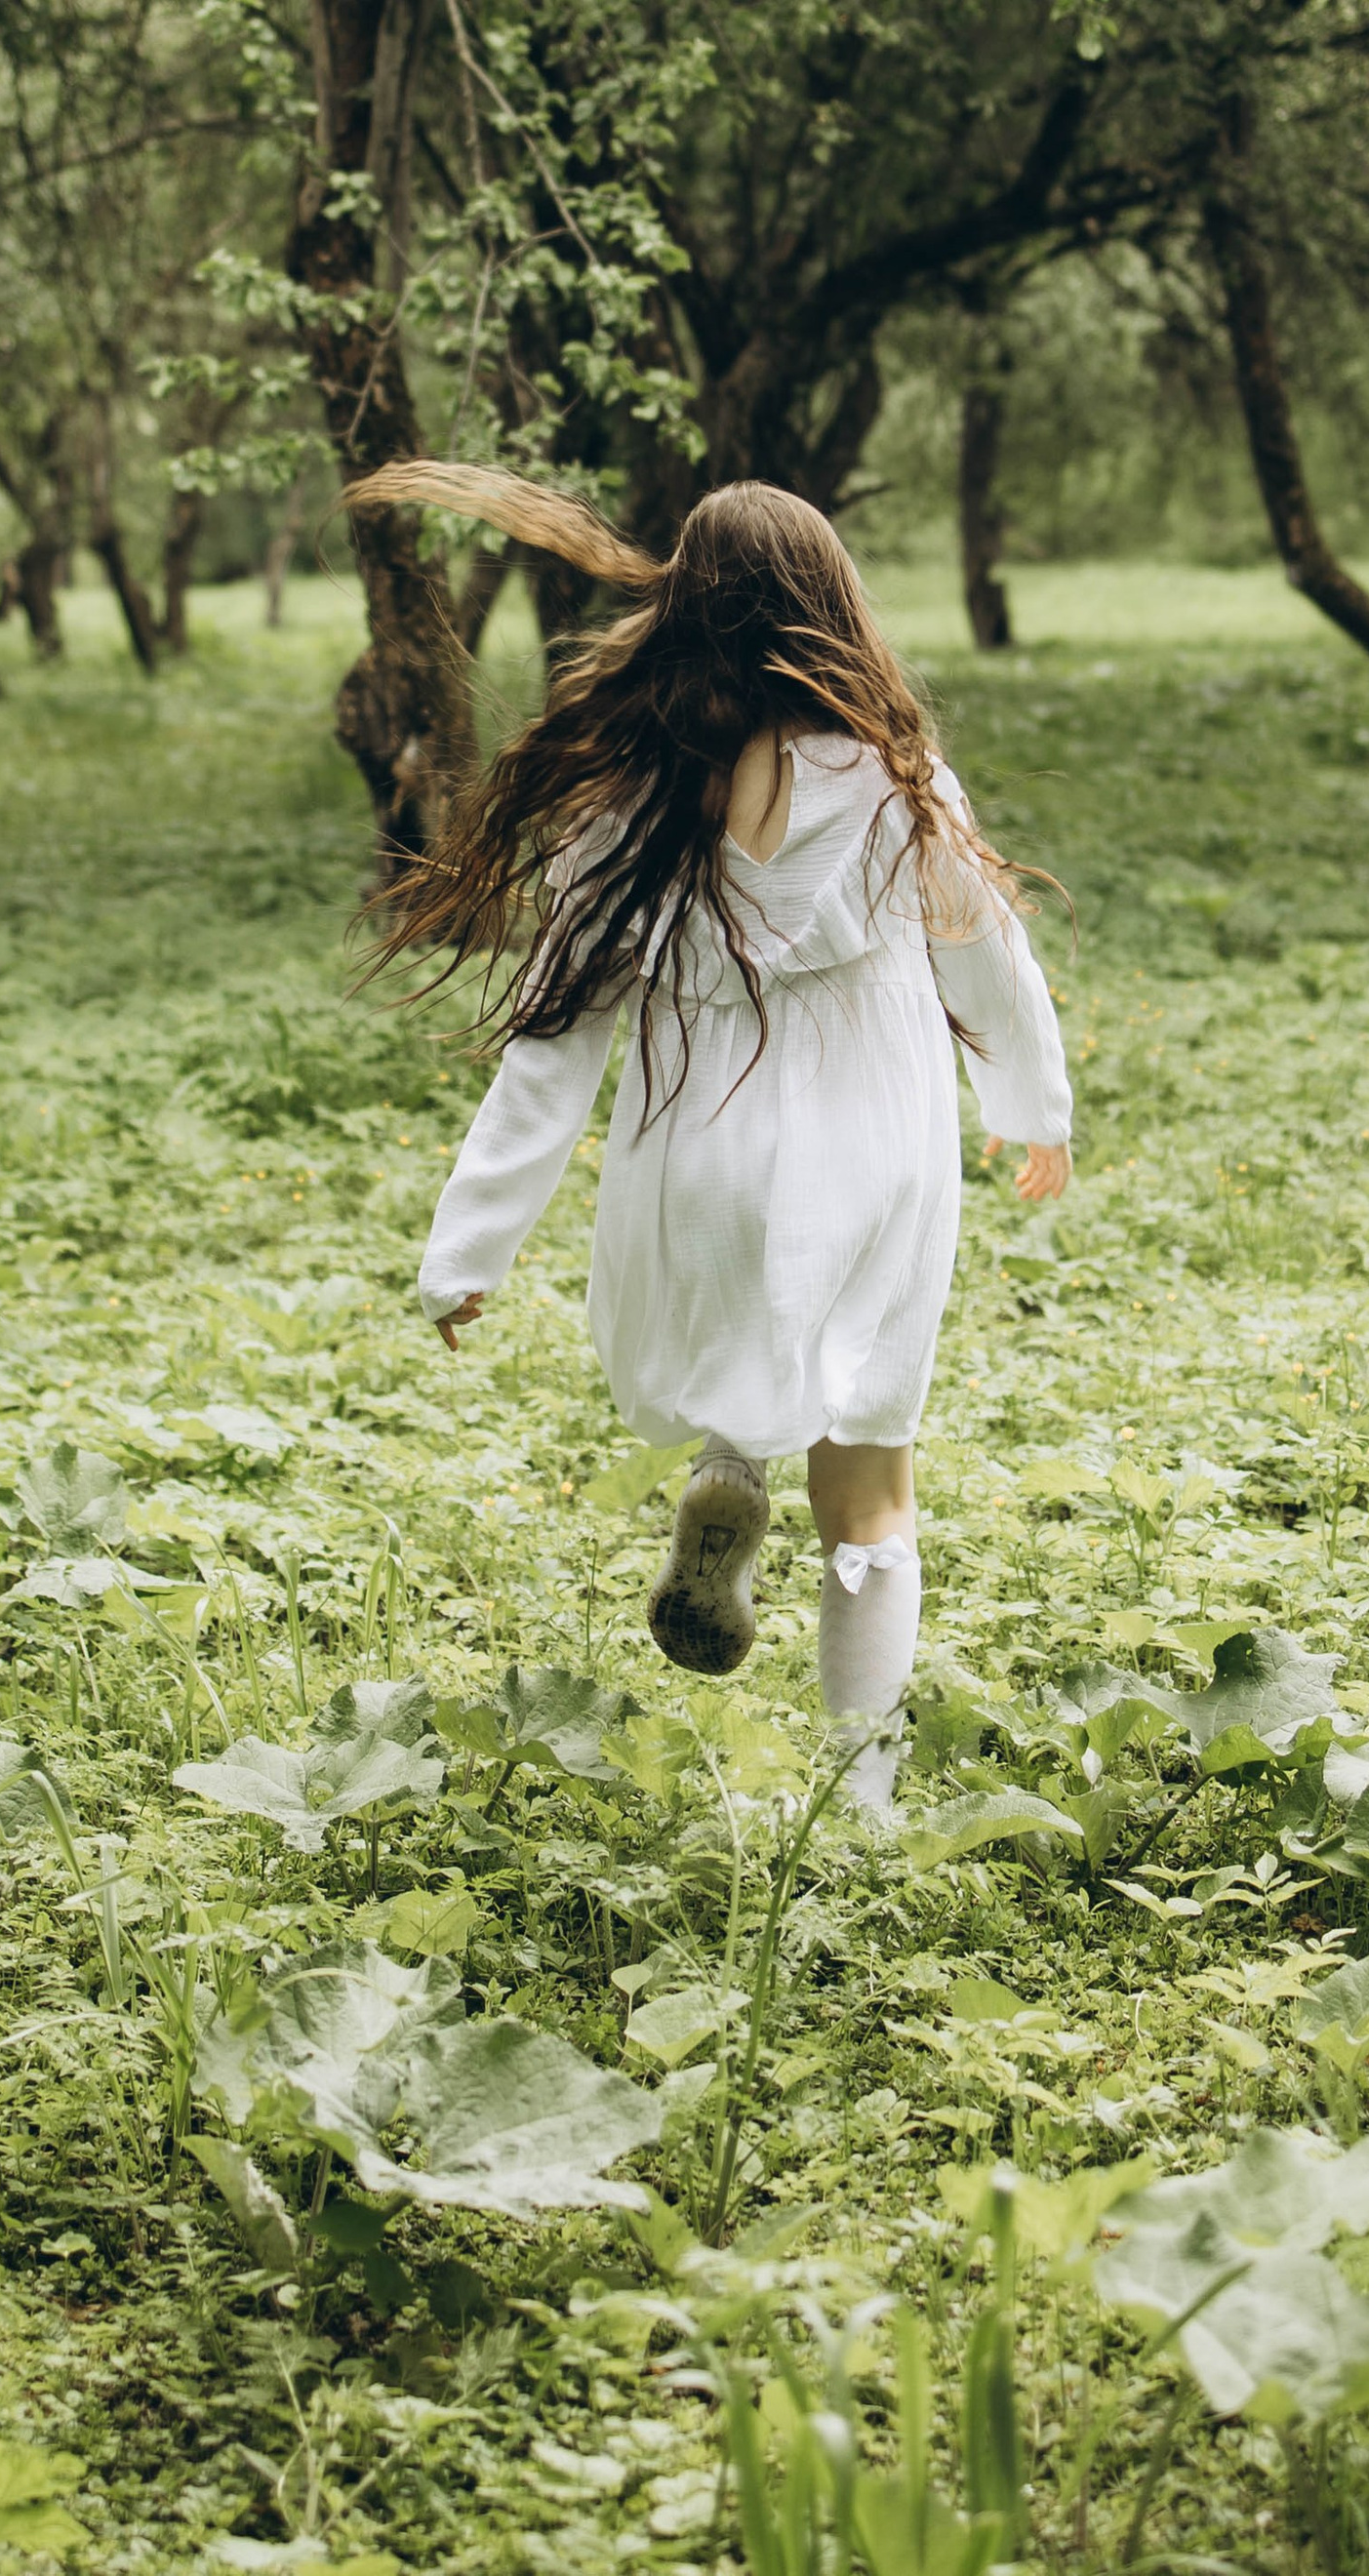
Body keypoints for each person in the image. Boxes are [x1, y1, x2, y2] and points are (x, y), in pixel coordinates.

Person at [354, 463, 1072, 1810]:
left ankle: (731, 1472)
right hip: (873, 1154)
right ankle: (857, 1803)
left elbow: (553, 1044)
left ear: (684, 613)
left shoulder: (631, 800)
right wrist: (1033, 1110)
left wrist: (470, 1250)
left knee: (743, 1328)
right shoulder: (900, 783)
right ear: (831, 608)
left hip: (705, 1152)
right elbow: (992, 964)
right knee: (868, 1483)